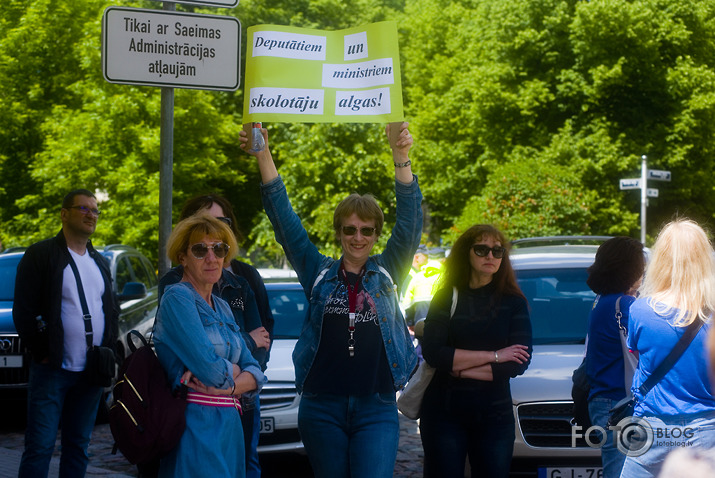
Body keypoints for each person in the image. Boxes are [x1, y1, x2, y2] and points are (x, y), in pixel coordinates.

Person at [240, 122, 422, 478]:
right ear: (339, 232)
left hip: (377, 406)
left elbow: (411, 223)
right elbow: (285, 222)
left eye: (367, 230)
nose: (358, 238)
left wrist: (401, 157)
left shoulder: (388, 270)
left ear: (375, 234)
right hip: (322, 407)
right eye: (350, 229)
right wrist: (263, 153)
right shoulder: (318, 272)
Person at [158, 193, 274, 478]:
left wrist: (232, 384)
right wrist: (237, 373)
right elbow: (210, 370)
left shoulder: (221, 305)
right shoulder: (177, 298)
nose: (211, 258)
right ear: (183, 257)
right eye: (200, 250)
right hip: (196, 424)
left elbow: (255, 371)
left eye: (219, 249)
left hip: (230, 422)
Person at [13, 188, 120, 478]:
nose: (91, 215)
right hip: (54, 369)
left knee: (78, 446)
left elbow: (110, 309)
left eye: (95, 210)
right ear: (64, 214)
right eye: (83, 208)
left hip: (91, 372)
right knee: (40, 446)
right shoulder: (41, 254)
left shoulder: (98, 261)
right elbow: (23, 311)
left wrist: (109, 347)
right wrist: (43, 352)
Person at [420, 224, 532, 478]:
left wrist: (457, 368)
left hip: (495, 416)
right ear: (466, 254)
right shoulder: (446, 296)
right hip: (444, 414)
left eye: (497, 251)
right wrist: (495, 356)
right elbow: (434, 353)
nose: (490, 256)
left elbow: (517, 364)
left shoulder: (513, 302)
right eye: (481, 249)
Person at [619, 219, 715, 478]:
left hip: (654, 427)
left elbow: (640, 360)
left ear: (661, 259)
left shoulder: (640, 310)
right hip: (708, 427)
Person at [585, 236, 645, 478]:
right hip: (621, 404)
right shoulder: (626, 305)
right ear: (631, 269)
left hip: (603, 401)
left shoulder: (601, 301)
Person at [401, 246, 443, 327]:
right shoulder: (410, 275)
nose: (428, 259)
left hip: (419, 324)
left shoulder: (418, 275)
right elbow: (405, 302)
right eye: (426, 257)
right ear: (416, 257)